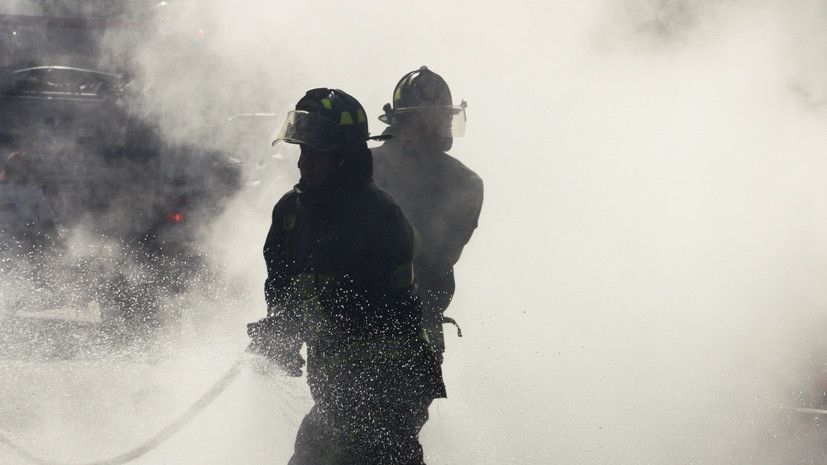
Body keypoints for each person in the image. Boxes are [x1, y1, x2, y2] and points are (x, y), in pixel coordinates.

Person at [247, 88, 445, 465]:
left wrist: (301, 320)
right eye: (301, 152)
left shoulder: (380, 218)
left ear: (345, 157)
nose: (303, 164)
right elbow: (282, 287)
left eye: (315, 154)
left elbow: (381, 311)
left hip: (391, 381)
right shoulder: (291, 213)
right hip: (336, 385)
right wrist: (277, 331)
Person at [372, 66, 484, 364]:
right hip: (352, 332)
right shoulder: (363, 170)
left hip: (416, 334)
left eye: (442, 119)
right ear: (403, 122)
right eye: (427, 120)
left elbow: (436, 259)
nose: (438, 128)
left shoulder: (465, 184)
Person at [0, 150, 59, 253]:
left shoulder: (33, 193)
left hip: (14, 244)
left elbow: (48, 222)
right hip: (22, 245)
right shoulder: (34, 193)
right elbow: (48, 223)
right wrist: (58, 241)